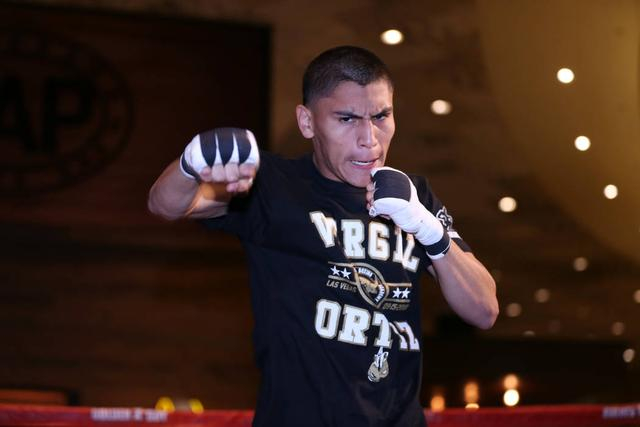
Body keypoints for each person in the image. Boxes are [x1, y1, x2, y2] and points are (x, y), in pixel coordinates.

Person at [148, 45, 498, 427]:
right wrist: (191, 164)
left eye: (381, 116)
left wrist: (428, 229)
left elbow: (484, 311)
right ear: (307, 122)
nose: (369, 139)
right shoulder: (274, 186)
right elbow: (167, 205)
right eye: (346, 119)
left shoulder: (414, 197)